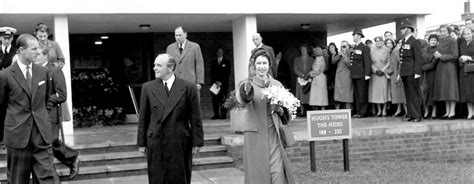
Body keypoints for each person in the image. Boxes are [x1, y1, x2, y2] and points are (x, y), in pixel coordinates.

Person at [0, 34, 59, 183]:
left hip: (41, 136)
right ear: (21, 50)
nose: (38, 52)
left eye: (38, 48)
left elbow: (48, 99)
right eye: (34, 49)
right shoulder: (5, 76)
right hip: (17, 137)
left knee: (47, 179)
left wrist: (43, 118)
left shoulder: (43, 72)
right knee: (18, 180)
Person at [137, 53, 204, 184]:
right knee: (157, 177)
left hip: (179, 141)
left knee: (179, 177)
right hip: (156, 141)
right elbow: (143, 118)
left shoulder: (188, 87)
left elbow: (195, 117)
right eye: (154, 65)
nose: (155, 68)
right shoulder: (148, 87)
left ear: (170, 67)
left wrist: (197, 142)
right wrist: (142, 142)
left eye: (159, 65)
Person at [235, 49, 295, 184]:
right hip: (255, 135)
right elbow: (242, 101)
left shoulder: (276, 84)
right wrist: (245, 92)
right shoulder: (246, 84)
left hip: (274, 134)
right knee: (258, 175)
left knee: (278, 173)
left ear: (269, 65)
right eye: (259, 63)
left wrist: (279, 109)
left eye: (265, 63)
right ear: (254, 65)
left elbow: (287, 112)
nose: (262, 66)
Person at [35, 48, 81, 180]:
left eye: (38, 55)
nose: (35, 57)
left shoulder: (55, 71)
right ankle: (71, 160)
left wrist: (48, 100)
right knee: (47, 143)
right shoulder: (36, 71)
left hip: (51, 114)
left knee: (50, 142)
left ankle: (68, 162)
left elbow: (62, 94)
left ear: (45, 56)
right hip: (39, 114)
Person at [398, 19, 423, 122]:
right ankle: (411, 114)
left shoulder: (415, 41)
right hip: (405, 71)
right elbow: (402, 58)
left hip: (412, 71)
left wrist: (417, 72)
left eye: (403, 29)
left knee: (414, 94)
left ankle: (417, 115)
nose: (401, 30)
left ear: (408, 29)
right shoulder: (404, 41)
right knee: (408, 94)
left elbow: (418, 58)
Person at [433, 25, 459, 120]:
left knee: (450, 90)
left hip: (449, 68)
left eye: (444, 31)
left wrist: (441, 56)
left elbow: (455, 55)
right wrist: (436, 56)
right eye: (441, 31)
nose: (442, 33)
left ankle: (452, 112)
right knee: (444, 91)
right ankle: (447, 112)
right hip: (441, 68)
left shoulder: (452, 40)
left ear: (448, 31)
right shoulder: (441, 40)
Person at [166, 26, 204, 91]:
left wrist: (199, 82)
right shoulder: (170, 48)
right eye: (176, 35)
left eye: (180, 35)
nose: (178, 37)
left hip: (190, 82)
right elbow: (167, 66)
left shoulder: (195, 47)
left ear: (185, 34)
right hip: (174, 83)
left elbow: (199, 65)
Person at [350, 27, 372, 118]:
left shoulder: (364, 47)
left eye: (354, 35)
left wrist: (367, 74)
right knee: (357, 94)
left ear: (359, 36)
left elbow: (367, 61)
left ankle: (363, 111)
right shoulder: (355, 47)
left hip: (362, 74)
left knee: (362, 94)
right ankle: (358, 110)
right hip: (355, 74)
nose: (353, 37)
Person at [368, 36, 391, 116]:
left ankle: (384, 109)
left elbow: (389, 62)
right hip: (375, 74)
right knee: (376, 93)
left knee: (384, 92)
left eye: (380, 41)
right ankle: (379, 110)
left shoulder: (387, 50)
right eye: (377, 41)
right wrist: (375, 70)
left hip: (383, 74)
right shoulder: (371, 50)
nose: (378, 42)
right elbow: (369, 63)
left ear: (383, 41)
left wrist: (383, 70)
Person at [386, 39, 407, 117]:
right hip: (395, 74)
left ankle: (406, 111)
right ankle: (400, 110)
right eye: (399, 43)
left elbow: (400, 64)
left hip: (398, 75)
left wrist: (398, 75)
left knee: (401, 95)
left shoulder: (397, 51)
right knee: (398, 94)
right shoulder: (396, 51)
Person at [421, 34, 440, 119]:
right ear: (428, 41)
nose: (433, 41)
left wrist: (423, 67)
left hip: (433, 73)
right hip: (424, 74)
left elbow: (434, 63)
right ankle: (426, 111)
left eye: (435, 40)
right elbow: (420, 60)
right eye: (431, 40)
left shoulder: (438, 50)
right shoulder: (423, 50)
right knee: (424, 92)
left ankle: (434, 112)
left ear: (437, 42)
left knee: (432, 92)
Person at [293, 44, 314, 116]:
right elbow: (295, 69)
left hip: (309, 79)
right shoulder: (296, 60)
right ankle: (302, 112)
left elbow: (313, 68)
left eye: (305, 49)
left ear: (307, 50)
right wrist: (302, 75)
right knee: (301, 96)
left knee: (309, 96)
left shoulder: (311, 59)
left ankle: (310, 111)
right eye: (302, 49)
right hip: (300, 79)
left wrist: (308, 75)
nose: (303, 50)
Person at [458, 27, 474, 119]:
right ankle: (470, 113)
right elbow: (459, 56)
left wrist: (469, 58)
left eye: (468, 33)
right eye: (465, 34)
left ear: (472, 33)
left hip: (473, 70)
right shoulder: (462, 44)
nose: (467, 35)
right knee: (467, 92)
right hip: (464, 70)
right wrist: (461, 59)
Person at [210, 48, 231, 119]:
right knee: (215, 100)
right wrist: (215, 81)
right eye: (218, 52)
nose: (220, 53)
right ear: (217, 53)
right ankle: (216, 114)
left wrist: (221, 82)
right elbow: (211, 73)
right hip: (215, 84)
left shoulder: (226, 62)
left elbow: (227, 73)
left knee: (223, 99)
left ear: (223, 53)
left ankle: (223, 114)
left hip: (224, 84)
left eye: (221, 52)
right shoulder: (214, 62)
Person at [334, 40, 353, 110]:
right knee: (338, 95)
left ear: (348, 46)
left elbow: (350, 65)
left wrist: (344, 56)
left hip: (347, 77)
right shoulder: (339, 54)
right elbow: (333, 61)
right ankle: (338, 110)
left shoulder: (351, 53)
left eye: (345, 46)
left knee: (347, 95)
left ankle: (349, 110)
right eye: (342, 46)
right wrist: (339, 55)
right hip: (339, 77)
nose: (343, 48)